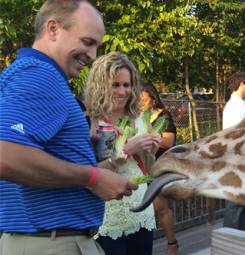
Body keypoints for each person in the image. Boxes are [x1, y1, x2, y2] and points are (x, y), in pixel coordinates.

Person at [0, 1, 138, 255]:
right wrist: (93, 178)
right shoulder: (39, 75)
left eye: (96, 45)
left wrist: (83, 145)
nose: (94, 55)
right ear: (53, 29)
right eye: (87, 42)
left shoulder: (33, 74)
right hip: (51, 243)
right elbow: (6, 157)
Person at [84, 52, 161, 255]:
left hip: (142, 211)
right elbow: (85, 173)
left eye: (126, 85)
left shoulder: (140, 119)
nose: (122, 91)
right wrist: (127, 150)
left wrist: (152, 152)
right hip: (107, 217)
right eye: (115, 85)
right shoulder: (90, 121)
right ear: (101, 86)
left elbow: (150, 171)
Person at [140, 85, 179, 255]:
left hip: (159, 167)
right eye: (138, 99)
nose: (140, 103)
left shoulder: (163, 116)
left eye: (144, 100)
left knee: (160, 207)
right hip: (141, 168)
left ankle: (172, 243)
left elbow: (168, 142)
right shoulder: (136, 116)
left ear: (153, 100)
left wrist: (146, 135)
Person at [222, 71, 245, 230]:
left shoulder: (236, 104)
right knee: (235, 203)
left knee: (239, 203)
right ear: (242, 84)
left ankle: (238, 236)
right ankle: (230, 239)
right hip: (236, 159)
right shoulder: (236, 106)